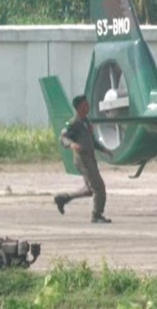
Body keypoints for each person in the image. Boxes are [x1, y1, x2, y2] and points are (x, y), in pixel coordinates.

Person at [53, 95, 114, 224]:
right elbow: (63, 138)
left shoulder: (86, 121)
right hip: (83, 159)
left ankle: (63, 198)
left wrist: (104, 150)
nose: (88, 107)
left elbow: (91, 140)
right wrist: (71, 144)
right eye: (85, 106)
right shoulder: (74, 123)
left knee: (89, 190)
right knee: (98, 187)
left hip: (90, 158)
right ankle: (96, 215)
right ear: (79, 108)